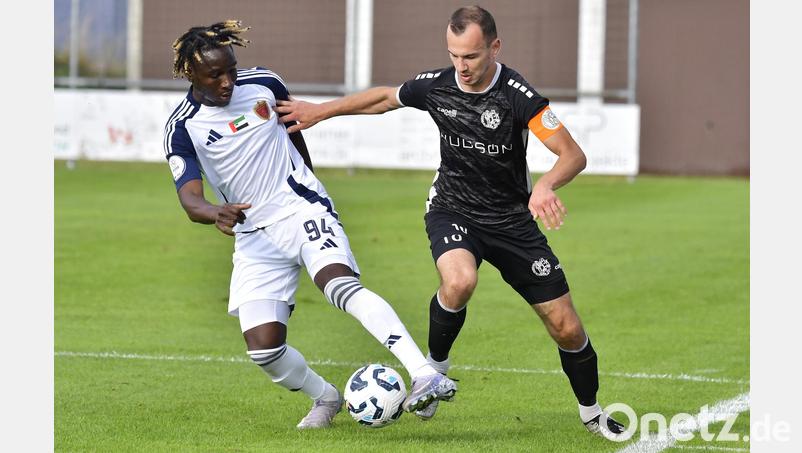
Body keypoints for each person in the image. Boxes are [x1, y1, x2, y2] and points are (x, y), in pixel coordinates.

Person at [275, 6, 625, 438]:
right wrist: (321, 111)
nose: (462, 66)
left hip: (512, 221)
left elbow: (573, 154)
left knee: (567, 327)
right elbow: (385, 97)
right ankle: (433, 370)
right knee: (458, 282)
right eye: (454, 55)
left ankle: (591, 413)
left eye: (472, 56)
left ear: (494, 47)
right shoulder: (437, 86)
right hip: (453, 209)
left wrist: (547, 185)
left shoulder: (521, 97)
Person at [162, 20, 456, 430]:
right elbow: (190, 199)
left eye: (230, 68)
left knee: (339, 285)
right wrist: (215, 212)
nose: (227, 80)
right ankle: (326, 397)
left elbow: (295, 130)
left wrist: (308, 184)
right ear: (189, 73)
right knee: (263, 347)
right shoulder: (182, 128)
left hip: (301, 209)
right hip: (252, 235)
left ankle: (424, 374)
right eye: (215, 75)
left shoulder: (264, 84)